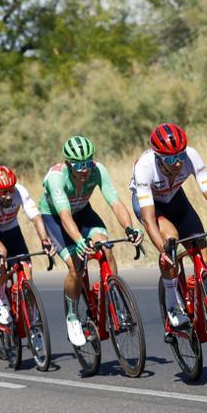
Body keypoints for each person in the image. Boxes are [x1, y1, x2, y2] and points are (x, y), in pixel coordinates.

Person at [130, 122, 207, 330]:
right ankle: (173, 303)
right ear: (159, 158)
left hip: (175, 198)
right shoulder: (145, 167)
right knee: (170, 240)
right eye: (171, 159)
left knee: (204, 259)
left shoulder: (191, 155)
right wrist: (162, 250)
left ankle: (204, 313)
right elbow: (148, 219)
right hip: (150, 204)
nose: (177, 163)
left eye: (180, 156)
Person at [39, 135, 143, 346]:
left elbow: (115, 202)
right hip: (56, 218)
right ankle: (72, 315)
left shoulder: (98, 170)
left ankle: (115, 303)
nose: (85, 169)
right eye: (78, 165)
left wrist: (129, 227)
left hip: (83, 212)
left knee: (106, 249)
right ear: (68, 163)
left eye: (88, 163)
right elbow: (65, 215)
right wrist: (78, 240)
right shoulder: (56, 178)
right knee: (75, 266)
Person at [0, 165, 52, 327]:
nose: (9, 195)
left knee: (27, 270)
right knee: (0, 256)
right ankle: (2, 301)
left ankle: (32, 314)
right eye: (3, 192)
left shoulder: (20, 191)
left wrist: (44, 240)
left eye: (10, 190)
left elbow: (36, 218)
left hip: (12, 230)